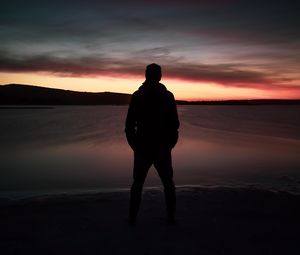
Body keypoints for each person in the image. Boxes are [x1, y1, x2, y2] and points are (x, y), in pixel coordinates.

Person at [125, 63, 180, 225]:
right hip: (159, 146)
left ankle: (132, 218)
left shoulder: (138, 96)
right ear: (159, 76)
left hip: (144, 146)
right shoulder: (167, 96)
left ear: (146, 75)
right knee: (167, 182)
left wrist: (134, 144)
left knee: (138, 183)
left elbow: (129, 126)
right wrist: (170, 143)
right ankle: (171, 217)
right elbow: (174, 124)